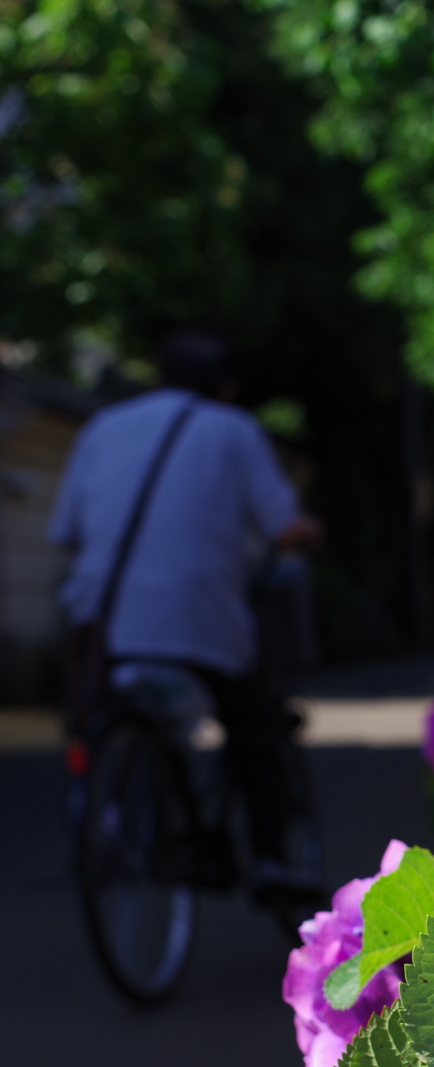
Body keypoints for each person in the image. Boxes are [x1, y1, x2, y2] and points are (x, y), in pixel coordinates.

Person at [49, 329, 325, 907]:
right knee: (257, 728)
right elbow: (284, 525)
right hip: (199, 625)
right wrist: (306, 534)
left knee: (118, 717)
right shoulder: (234, 430)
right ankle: (272, 861)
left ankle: (125, 813)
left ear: (157, 378)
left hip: (105, 627)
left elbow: (64, 532)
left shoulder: (101, 427)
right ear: (224, 389)